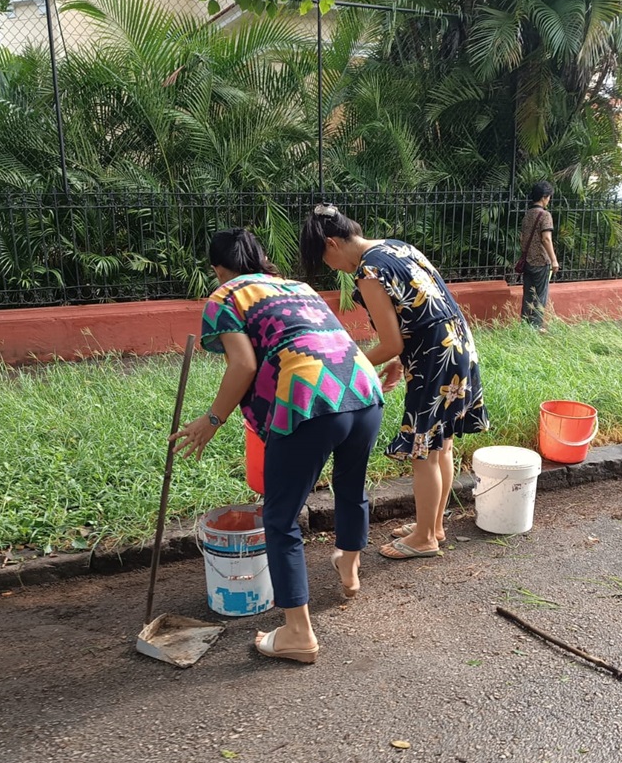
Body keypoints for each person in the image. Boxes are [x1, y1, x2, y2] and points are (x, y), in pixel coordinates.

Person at [170, 228, 385, 665]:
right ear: (262, 258)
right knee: (350, 485)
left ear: (218, 268)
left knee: (280, 517)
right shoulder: (297, 286)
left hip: (309, 397)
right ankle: (349, 567)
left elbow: (244, 364)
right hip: (362, 388)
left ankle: (298, 634)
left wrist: (211, 420)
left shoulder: (225, 295)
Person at [299, 203, 489, 560]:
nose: (328, 267)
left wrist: (347, 366)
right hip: (457, 346)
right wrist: (400, 363)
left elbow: (391, 342)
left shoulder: (369, 272)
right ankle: (433, 526)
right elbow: (420, 311)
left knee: (423, 452)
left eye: (323, 258)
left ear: (332, 244)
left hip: (433, 358)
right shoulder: (396, 246)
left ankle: (424, 539)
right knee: (440, 444)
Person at [518, 181, 560, 330]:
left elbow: (522, 237)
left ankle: (525, 326)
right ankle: (536, 328)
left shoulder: (527, 214)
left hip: (527, 261)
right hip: (541, 262)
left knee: (528, 296)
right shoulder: (545, 215)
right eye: (548, 197)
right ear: (544, 197)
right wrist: (554, 260)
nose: (549, 200)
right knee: (540, 297)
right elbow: (546, 238)